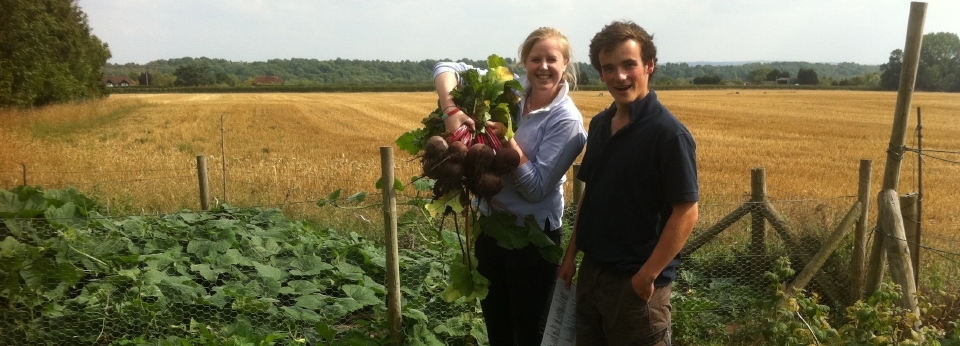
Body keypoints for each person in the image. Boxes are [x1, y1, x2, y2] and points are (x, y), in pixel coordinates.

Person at [433, 27, 587, 346]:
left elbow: (535, 189)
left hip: (532, 236)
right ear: (524, 62)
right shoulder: (510, 89)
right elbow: (445, 67)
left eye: (551, 59)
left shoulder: (567, 121)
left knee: (529, 333)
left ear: (566, 63)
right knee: (498, 329)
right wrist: (451, 110)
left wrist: (506, 141)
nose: (543, 66)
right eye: (535, 59)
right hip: (491, 226)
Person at [558, 21, 700, 346]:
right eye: (609, 68)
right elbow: (590, 196)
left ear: (649, 66)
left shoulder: (668, 135)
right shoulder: (599, 125)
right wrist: (571, 256)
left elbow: (687, 212)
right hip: (593, 276)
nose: (619, 77)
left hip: (636, 287)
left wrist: (647, 276)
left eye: (628, 65)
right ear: (601, 73)